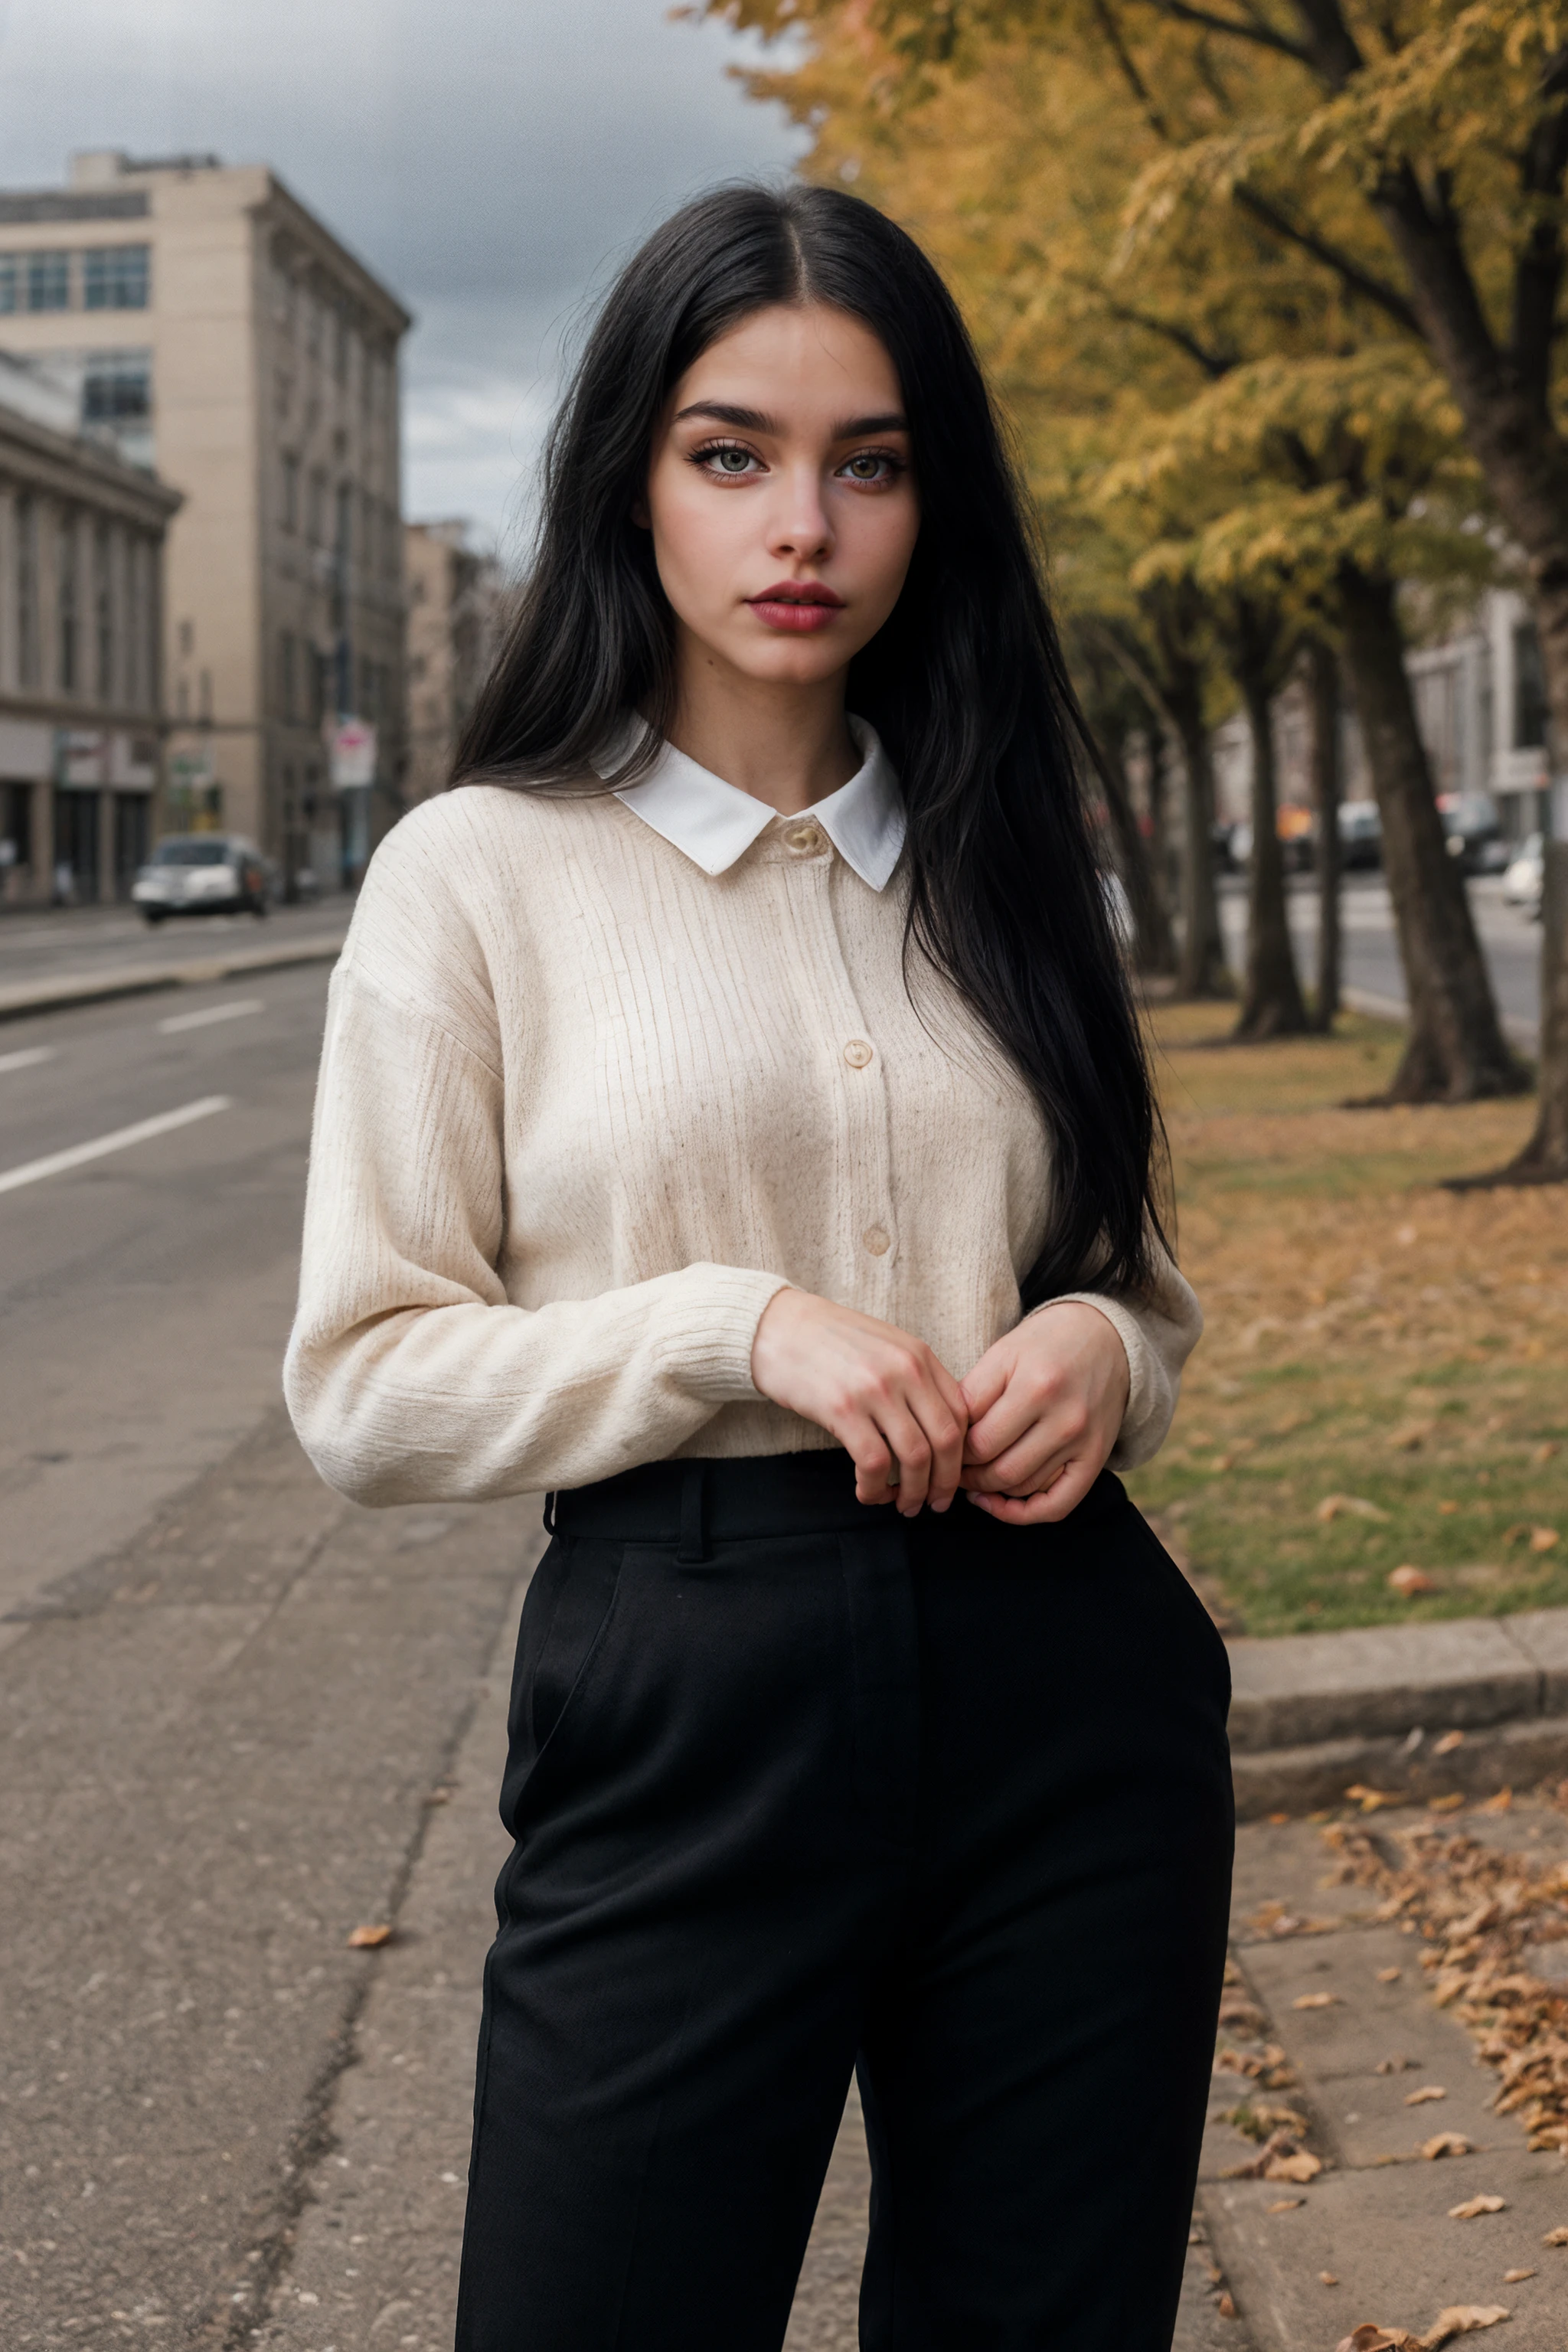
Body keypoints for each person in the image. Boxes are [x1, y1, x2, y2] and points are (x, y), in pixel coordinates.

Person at [285, 183, 1231, 2352]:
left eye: (867, 461)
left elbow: (1132, 1280)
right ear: (634, 482)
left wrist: (1100, 1344)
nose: (800, 521)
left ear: (931, 500)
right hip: (687, 1679)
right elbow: (363, 1380)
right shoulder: (480, 875)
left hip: (1065, 1686)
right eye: (733, 455)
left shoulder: (1020, 866)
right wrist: (735, 1328)